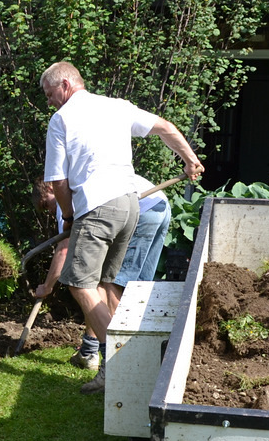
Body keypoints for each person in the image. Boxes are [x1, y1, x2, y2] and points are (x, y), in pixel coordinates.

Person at [39, 61, 203, 394]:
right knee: (105, 284)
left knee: (79, 284)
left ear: (66, 84)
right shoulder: (116, 107)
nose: (49, 101)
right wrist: (190, 159)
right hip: (130, 205)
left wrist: (69, 218)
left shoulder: (62, 120)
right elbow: (165, 127)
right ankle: (110, 372)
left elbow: (57, 181)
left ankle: (125, 362)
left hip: (98, 207)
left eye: (50, 93)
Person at [33, 175, 172, 371]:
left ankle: (118, 363)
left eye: (46, 204)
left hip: (141, 210)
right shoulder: (84, 179)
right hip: (160, 206)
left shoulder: (65, 197)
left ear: (50, 188)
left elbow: (64, 250)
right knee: (134, 288)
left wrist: (47, 287)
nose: (50, 210)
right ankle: (95, 350)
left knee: (109, 285)